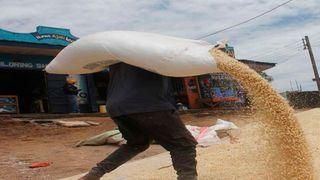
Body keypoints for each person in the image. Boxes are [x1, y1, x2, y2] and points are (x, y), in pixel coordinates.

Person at [80, 63, 198, 180]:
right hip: (148, 103)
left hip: (116, 106)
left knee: (136, 144)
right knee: (183, 145)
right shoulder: (151, 47)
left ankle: (94, 174)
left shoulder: (117, 53)